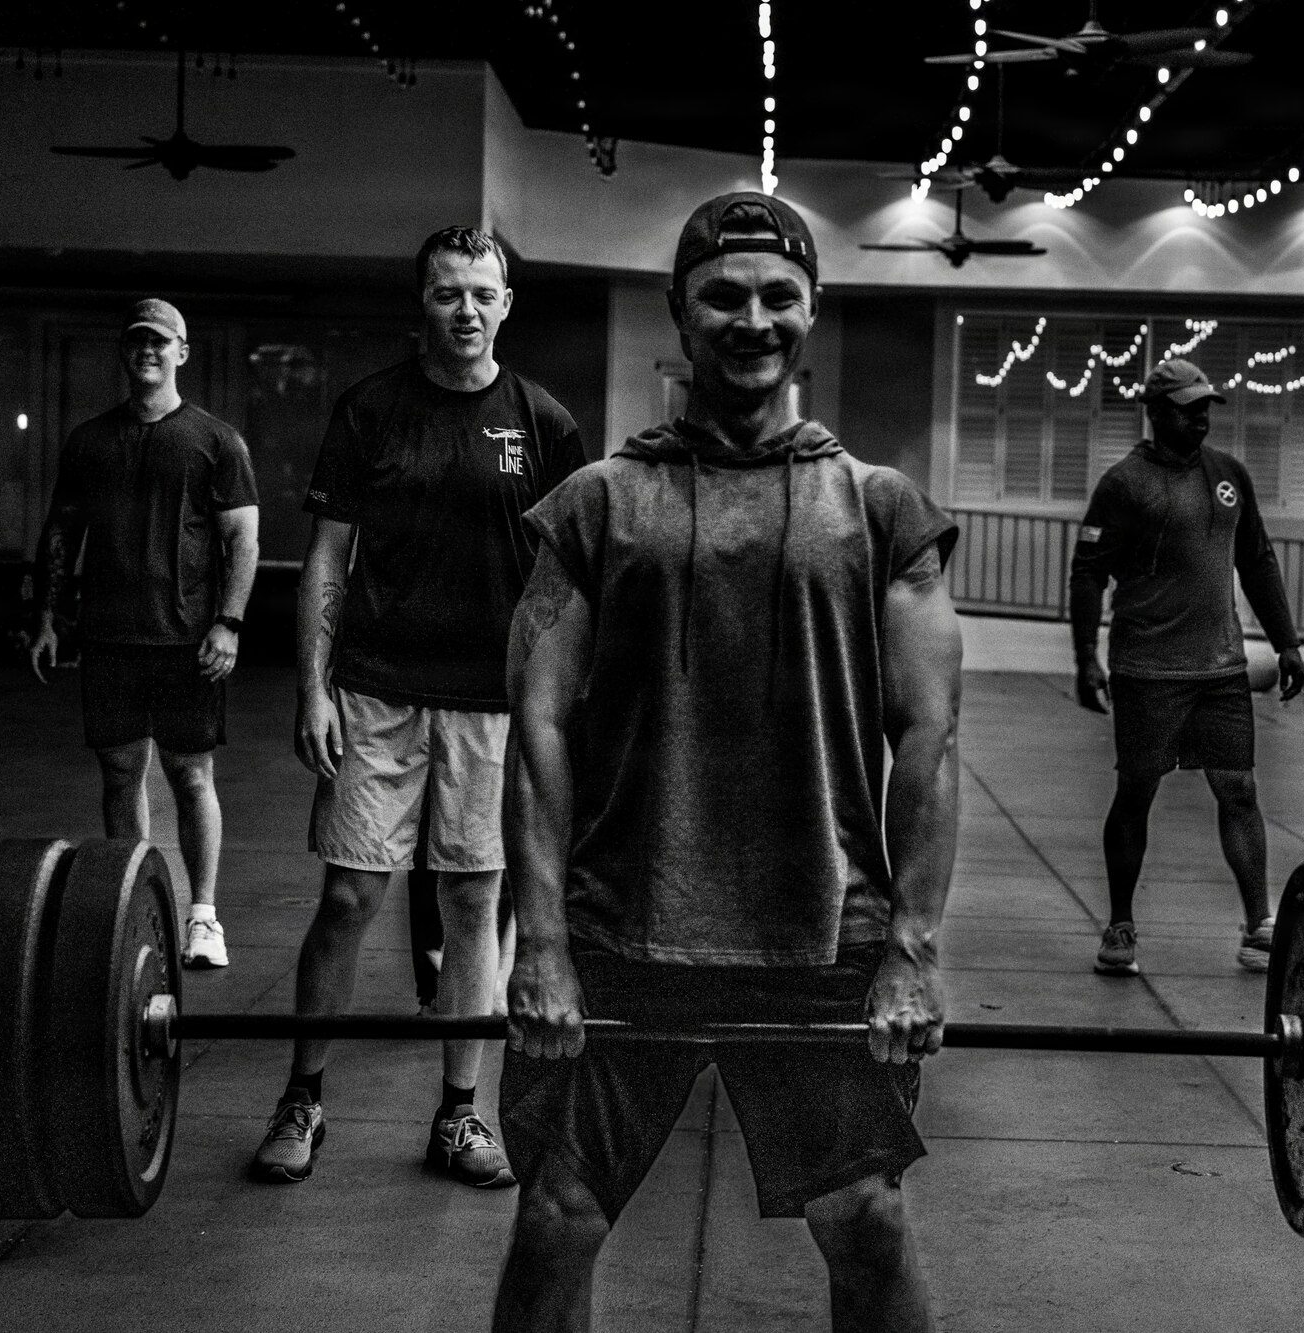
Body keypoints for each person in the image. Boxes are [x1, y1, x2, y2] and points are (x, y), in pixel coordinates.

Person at [491, 192, 963, 1333]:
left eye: (778, 297)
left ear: (810, 312)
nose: (751, 319)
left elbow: (928, 742)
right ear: (679, 314)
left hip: (817, 928)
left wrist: (908, 950)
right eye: (723, 296)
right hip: (621, 922)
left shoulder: (884, 512)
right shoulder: (595, 507)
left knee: (864, 1217)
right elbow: (537, 728)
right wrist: (540, 944)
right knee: (557, 1212)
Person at [252, 227, 586, 1190]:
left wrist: (552, 706)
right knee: (352, 895)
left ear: (507, 303)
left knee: (476, 898)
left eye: (484, 293)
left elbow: (563, 582)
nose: (467, 310)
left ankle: (459, 1115)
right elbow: (327, 557)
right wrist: (313, 686)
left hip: (492, 703)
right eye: (448, 294)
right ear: (423, 302)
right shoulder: (370, 411)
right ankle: (304, 1098)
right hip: (377, 693)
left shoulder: (546, 422)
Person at [28, 299, 259, 968]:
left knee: (191, 775)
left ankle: (204, 916)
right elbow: (63, 531)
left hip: (189, 641)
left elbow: (242, 539)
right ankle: (133, 900)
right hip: (109, 638)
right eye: (137, 341)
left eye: (160, 341)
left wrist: (229, 623)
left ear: (182, 351)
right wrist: (48, 615)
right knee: (121, 771)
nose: (148, 351)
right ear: (124, 352)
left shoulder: (217, 441)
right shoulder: (90, 440)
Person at [1069, 358, 1304, 978]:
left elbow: (1255, 558)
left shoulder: (1229, 476)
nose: (1202, 417)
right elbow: (1089, 571)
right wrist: (1084, 658)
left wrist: (1286, 642)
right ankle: (1121, 920)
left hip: (1221, 667)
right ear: (1157, 411)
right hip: (1147, 668)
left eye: (1206, 406)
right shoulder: (1124, 484)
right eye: (1189, 407)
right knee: (1136, 792)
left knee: (1239, 789)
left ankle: (1258, 924)